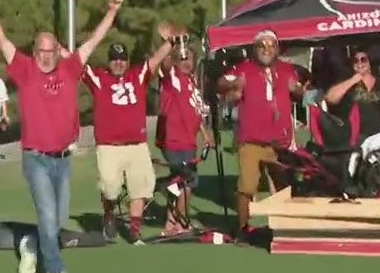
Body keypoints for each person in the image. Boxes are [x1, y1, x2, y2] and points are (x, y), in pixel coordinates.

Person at [0, 0, 121, 273]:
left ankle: (30, 245)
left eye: (51, 50)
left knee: (56, 219)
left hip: (62, 159)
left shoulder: (70, 69)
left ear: (58, 50)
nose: (46, 56)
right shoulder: (25, 70)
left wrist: (110, 12)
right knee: (45, 212)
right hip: (35, 158)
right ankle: (56, 270)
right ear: (35, 53)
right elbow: (1, 39)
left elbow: (94, 41)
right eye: (41, 51)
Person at [82, 24, 175, 243]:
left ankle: (134, 229)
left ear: (127, 61)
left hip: (136, 144)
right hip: (109, 146)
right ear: (109, 61)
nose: (118, 62)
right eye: (114, 59)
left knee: (141, 186)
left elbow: (154, 61)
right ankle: (109, 213)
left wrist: (169, 43)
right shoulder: (99, 78)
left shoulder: (137, 76)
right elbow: (76, 63)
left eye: (122, 59)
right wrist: (57, 49)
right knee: (110, 187)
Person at [217, 30, 302, 240]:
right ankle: (243, 229)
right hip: (251, 140)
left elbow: (299, 92)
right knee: (247, 186)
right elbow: (220, 83)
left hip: (279, 141)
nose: (266, 50)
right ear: (254, 49)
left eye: (271, 46)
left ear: (277, 48)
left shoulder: (286, 70)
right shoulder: (243, 69)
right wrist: (232, 87)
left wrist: (299, 90)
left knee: (283, 186)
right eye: (261, 46)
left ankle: (284, 228)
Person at [156, 35, 213, 235]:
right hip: (173, 139)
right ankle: (182, 221)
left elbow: (196, 112)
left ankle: (172, 222)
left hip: (189, 141)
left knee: (181, 181)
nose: (186, 62)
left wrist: (206, 134)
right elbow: (164, 65)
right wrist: (172, 45)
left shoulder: (192, 83)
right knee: (187, 180)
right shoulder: (173, 79)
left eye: (189, 58)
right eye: (182, 59)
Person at [323, 46, 380, 140]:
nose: (360, 63)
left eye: (363, 60)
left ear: (369, 62)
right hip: (354, 135)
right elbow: (330, 98)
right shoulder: (346, 82)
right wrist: (353, 80)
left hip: (379, 134)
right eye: (356, 60)